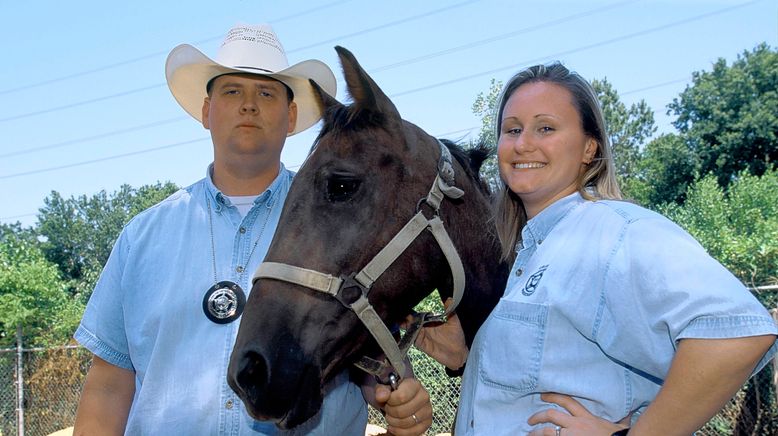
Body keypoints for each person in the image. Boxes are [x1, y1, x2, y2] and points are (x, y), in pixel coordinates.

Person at [72, 23, 431, 435]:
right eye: (231, 91)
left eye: (266, 93)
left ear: (292, 116)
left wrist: (394, 397)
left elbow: (367, 363)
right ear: (206, 111)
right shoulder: (142, 237)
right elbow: (108, 385)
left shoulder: (349, 221)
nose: (248, 105)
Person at [412, 62, 778, 435]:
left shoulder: (614, 230)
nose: (523, 143)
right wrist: (469, 356)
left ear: (590, 148)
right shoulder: (531, 254)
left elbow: (738, 332)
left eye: (546, 128)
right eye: (513, 129)